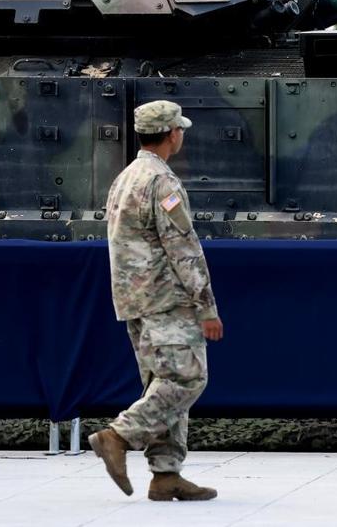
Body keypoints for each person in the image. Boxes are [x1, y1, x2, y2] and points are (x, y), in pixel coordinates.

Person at [89, 100, 223, 502]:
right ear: (172, 134)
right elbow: (183, 248)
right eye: (179, 129)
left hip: (135, 298)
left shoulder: (126, 177)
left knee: (160, 382)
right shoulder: (162, 183)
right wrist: (207, 306)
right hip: (165, 297)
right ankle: (118, 435)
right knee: (187, 377)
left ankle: (166, 474)